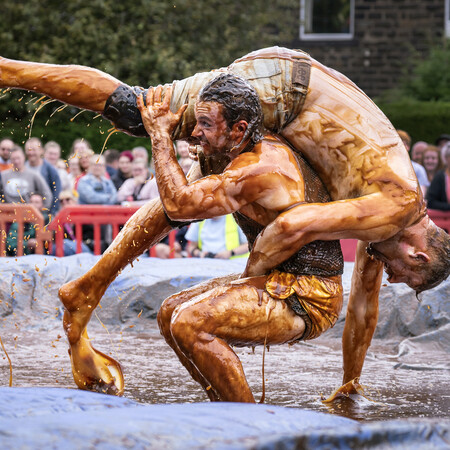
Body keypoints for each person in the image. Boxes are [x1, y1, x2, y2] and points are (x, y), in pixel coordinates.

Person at [1, 47, 448, 396]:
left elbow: (365, 312)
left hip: (287, 84)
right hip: (286, 89)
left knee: (187, 198)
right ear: (419, 253)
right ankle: (7, 70)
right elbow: (291, 228)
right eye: (404, 275)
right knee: (137, 109)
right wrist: (250, 280)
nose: (390, 278)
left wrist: (350, 380)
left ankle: (89, 286)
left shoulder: (386, 226)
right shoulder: (397, 204)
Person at [138, 74, 345, 401]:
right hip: (276, 278)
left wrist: (160, 135)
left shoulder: (260, 166)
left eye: (204, 123)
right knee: (169, 313)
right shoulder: (238, 149)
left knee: (189, 322)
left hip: (310, 293)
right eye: (196, 121)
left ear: (239, 130)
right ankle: (224, 407)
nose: (194, 132)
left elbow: (179, 206)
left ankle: (247, 424)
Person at [24, 137, 61, 215]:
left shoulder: (50, 170)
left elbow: (56, 192)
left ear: (41, 151)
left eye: (34, 150)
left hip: (45, 213)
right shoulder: (23, 167)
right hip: (25, 212)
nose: (31, 153)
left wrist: (52, 213)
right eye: (28, 150)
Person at [397, 130, 429, 194]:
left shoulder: (418, 169)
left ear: (408, 147)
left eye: (403, 144)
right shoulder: (383, 167)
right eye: (397, 144)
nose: (400, 147)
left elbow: (422, 193)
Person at [426, 143, 450, 211]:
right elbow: (431, 202)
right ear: (446, 158)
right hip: (443, 219)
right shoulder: (440, 176)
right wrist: (447, 207)